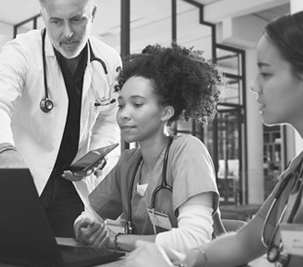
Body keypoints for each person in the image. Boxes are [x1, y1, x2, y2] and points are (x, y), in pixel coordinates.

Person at [123, 10, 303, 267]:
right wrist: (192, 258)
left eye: (266, 73)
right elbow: (245, 242)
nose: (253, 84)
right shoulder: (302, 165)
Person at [0, 0, 122, 238]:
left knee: (71, 255)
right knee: (14, 251)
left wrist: (98, 154)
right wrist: (5, 154)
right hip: (25, 178)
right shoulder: (21, 51)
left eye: (77, 19)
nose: (67, 33)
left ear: (94, 13)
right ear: (43, 17)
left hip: (73, 185)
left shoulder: (109, 61)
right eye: (56, 21)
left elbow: (109, 117)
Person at [73, 43, 224, 253]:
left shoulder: (187, 151)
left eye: (137, 104)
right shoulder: (129, 162)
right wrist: (85, 228)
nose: (124, 114)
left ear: (165, 113)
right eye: (121, 104)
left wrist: (116, 240)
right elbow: (90, 214)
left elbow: (194, 240)